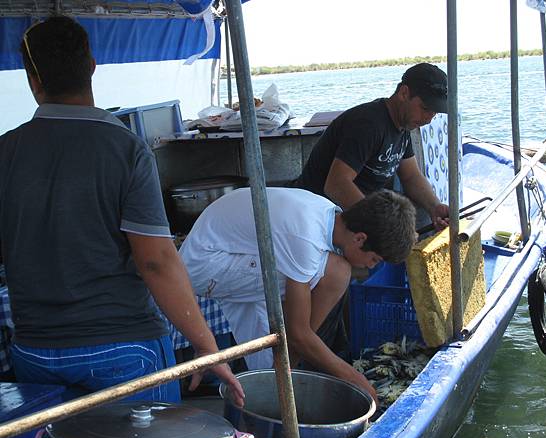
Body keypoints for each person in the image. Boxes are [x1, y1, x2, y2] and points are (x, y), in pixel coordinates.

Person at [0, 16, 243, 405]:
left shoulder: (6, 151)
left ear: (33, 79)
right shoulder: (125, 148)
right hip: (122, 347)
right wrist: (206, 346)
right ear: (92, 66)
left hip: (35, 352)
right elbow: (156, 262)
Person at [179, 187, 417, 401]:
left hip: (236, 254)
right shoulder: (306, 237)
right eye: (374, 259)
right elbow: (298, 332)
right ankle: (284, 371)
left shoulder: (328, 215)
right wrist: (357, 380)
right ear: (360, 238)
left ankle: (280, 375)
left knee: (333, 273)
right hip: (205, 263)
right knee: (329, 275)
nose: (371, 266)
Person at [292, 62, 450, 230]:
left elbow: (411, 176)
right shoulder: (369, 125)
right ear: (404, 93)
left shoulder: (403, 125)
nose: (428, 119)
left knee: (425, 214)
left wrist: (435, 207)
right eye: (425, 108)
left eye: (434, 112)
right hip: (321, 210)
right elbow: (336, 185)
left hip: (363, 203)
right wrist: (375, 224)